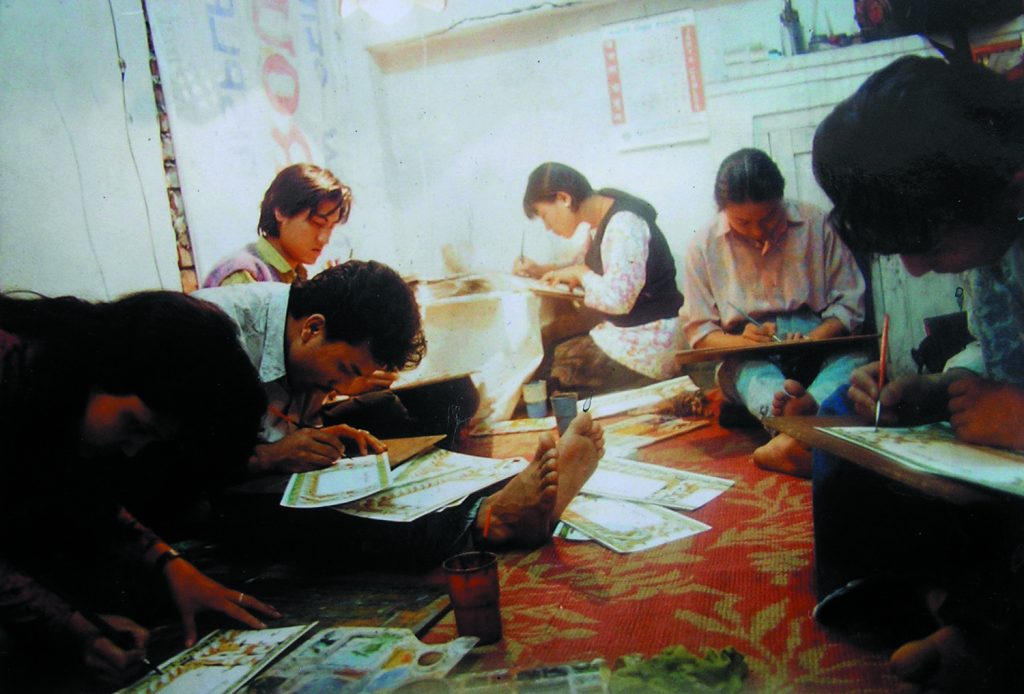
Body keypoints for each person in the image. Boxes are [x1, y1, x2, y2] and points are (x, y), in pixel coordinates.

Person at [810, 55, 1024, 689]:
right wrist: (941, 391)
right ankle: (941, 602)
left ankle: (979, 636)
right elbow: (1003, 340)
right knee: (851, 445)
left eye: (928, 246)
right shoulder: (1000, 228)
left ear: (1013, 191)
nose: (916, 269)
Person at [194, 260, 605, 564]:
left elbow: (284, 419)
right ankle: (489, 520)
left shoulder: (298, 328)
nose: (339, 388)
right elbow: (169, 471)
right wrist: (267, 457)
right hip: (214, 493)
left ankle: (503, 494)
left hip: (262, 459)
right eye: (345, 370)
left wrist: (322, 430)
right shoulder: (214, 337)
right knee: (319, 516)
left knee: (401, 429)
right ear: (313, 328)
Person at [0, 290, 279, 686]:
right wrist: (74, 628)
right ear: (110, 370)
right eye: (138, 428)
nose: (131, 450)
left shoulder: (66, 390)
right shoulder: (12, 366)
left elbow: (86, 495)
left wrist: (171, 565)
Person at [679, 148, 868, 477]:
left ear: (781, 198)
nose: (757, 231)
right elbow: (700, 334)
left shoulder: (816, 223)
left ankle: (793, 426)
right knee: (754, 377)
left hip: (819, 341)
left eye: (768, 218)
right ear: (722, 210)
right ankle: (800, 417)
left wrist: (812, 338)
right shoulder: (703, 246)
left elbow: (849, 304)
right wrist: (745, 344)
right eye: (742, 222)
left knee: (855, 363)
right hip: (748, 352)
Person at [515, 162, 685, 394]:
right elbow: (583, 265)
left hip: (650, 346)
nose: (547, 227)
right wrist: (540, 270)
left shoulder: (624, 223)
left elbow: (618, 299)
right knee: (547, 352)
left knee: (545, 374)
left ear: (564, 198)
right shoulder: (602, 219)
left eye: (545, 216)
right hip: (634, 335)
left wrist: (581, 274)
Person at [202, 163, 353, 288]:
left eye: (331, 227)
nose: (324, 239)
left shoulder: (296, 277)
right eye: (317, 223)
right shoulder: (244, 276)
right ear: (281, 211)